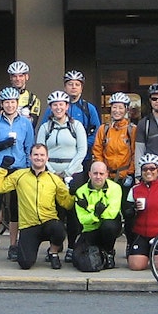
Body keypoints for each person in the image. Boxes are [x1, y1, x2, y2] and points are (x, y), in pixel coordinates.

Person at [0, 143, 74, 270]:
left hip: (48, 222)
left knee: (59, 229)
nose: (38, 158)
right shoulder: (20, 175)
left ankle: (53, 252)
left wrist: (73, 193)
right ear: (30, 157)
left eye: (42, 155)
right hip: (28, 226)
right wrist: (3, 168)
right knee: (25, 263)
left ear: (47, 158)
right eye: (35, 154)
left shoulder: (54, 179)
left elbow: (67, 203)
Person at [0, 86, 34, 262]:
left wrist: (29, 170)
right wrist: (1, 145)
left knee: (15, 208)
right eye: (6, 102)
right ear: (2, 104)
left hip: (19, 168)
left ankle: (13, 244)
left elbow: (29, 148)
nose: (10, 105)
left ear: (17, 104)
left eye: (13, 102)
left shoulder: (26, 123)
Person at [36, 89, 88, 262]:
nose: (58, 107)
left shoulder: (76, 126)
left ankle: (73, 246)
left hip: (73, 172)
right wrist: (50, 170)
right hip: (51, 172)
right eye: (55, 105)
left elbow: (82, 150)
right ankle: (55, 247)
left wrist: (67, 172)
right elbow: (40, 150)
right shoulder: (46, 127)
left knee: (74, 212)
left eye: (61, 104)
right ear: (51, 107)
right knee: (54, 212)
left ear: (67, 106)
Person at [37, 70, 100, 170]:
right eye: (70, 84)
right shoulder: (53, 109)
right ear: (65, 87)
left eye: (77, 84)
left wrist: (81, 144)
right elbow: (43, 130)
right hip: (55, 161)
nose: (73, 87)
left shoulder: (89, 108)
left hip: (84, 158)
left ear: (81, 88)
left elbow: (97, 132)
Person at [125, 153, 158, 272]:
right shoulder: (135, 189)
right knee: (136, 266)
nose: (148, 172)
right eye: (145, 169)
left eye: (152, 168)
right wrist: (133, 208)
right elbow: (127, 215)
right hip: (141, 233)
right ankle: (145, 252)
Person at [72, 160, 123, 270]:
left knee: (108, 225)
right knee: (77, 259)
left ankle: (109, 253)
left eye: (101, 173)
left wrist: (89, 209)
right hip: (90, 230)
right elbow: (82, 220)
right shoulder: (80, 192)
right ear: (89, 174)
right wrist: (95, 213)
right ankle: (100, 253)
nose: (98, 177)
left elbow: (112, 213)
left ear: (107, 174)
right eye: (95, 173)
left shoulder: (115, 188)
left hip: (107, 228)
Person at [91, 91, 137, 189]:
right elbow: (97, 152)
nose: (117, 110)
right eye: (114, 107)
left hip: (125, 177)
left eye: (121, 107)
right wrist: (102, 172)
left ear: (126, 109)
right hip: (107, 177)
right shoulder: (103, 129)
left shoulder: (132, 130)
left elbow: (135, 153)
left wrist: (130, 173)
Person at [0, 60, 42, 125]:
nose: (18, 79)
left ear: (27, 77)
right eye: (14, 76)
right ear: (11, 78)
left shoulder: (33, 99)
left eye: (21, 76)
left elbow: (32, 124)